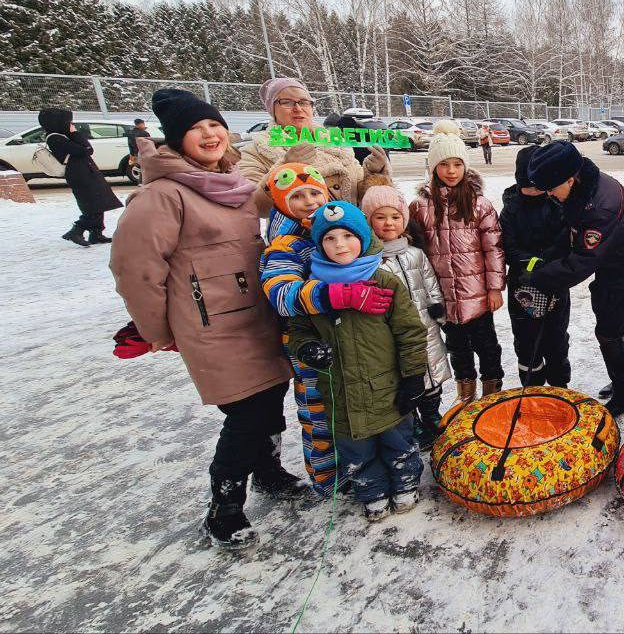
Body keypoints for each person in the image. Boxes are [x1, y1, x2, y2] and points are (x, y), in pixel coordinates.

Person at [110, 89, 298, 550]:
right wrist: (158, 331)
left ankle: (269, 473)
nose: (210, 134)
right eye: (196, 129)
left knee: (272, 396)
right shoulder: (162, 195)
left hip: (257, 314)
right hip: (212, 325)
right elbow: (135, 269)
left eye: (214, 124)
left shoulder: (231, 181)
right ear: (176, 140)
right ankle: (224, 508)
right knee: (246, 412)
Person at [259, 162, 394, 495]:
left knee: (353, 403)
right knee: (319, 412)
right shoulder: (284, 246)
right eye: (297, 196)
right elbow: (280, 295)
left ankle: (363, 463)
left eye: (315, 193)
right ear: (279, 202)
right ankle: (328, 479)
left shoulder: (328, 234)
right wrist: (334, 294)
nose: (309, 201)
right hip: (309, 345)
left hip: (352, 338)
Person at [290, 201, 429, 522]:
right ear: (319, 244)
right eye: (330, 238)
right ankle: (372, 491)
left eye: (348, 236)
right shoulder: (314, 290)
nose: (340, 245)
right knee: (357, 450)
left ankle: (406, 483)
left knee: (398, 440)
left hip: (386, 385)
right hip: (341, 392)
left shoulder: (384, 281)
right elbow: (298, 331)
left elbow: (410, 332)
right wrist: (308, 348)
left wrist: (413, 376)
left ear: (364, 238)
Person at [526, 141, 624, 417]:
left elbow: (581, 263)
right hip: (616, 264)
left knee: (609, 330)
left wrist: (540, 278)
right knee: (619, 323)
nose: (549, 194)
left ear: (570, 178)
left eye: (551, 188)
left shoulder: (600, 209)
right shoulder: (587, 186)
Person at [409, 128, 506, 403]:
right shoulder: (420, 206)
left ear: (465, 165)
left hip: (477, 296)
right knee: (457, 348)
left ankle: (491, 393)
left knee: (487, 346)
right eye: (444, 164)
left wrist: (495, 288)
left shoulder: (479, 204)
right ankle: (466, 393)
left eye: (457, 164)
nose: (451, 170)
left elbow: (494, 249)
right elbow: (416, 249)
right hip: (444, 296)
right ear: (433, 166)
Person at [361, 184, 452, 447]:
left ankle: (432, 415)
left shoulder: (415, 253)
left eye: (395, 217)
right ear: (368, 221)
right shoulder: (370, 260)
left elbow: (429, 280)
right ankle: (413, 423)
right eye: (380, 217)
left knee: (432, 370)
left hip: (425, 325)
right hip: (394, 332)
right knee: (406, 376)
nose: (389, 223)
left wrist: (437, 306)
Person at [237, 77, 391, 206]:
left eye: (304, 102)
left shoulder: (337, 142)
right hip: (297, 238)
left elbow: (359, 193)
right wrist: (284, 168)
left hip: (347, 236)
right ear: (272, 109)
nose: (298, 108)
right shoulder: (255, 151)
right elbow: (253, 205)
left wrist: (374, 172)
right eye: (287, 102)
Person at [499, 146, 571, 388]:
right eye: (527, 186)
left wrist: (547, 263)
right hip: (523, 287)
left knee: (557, 340)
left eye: (537, 186)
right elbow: (508, 246)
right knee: (527, 343)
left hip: (554, 284)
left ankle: (560, 387)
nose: (532, 191)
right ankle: (532, 388)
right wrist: (531, 264)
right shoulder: (510, 209)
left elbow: (563, 241)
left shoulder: (557, 205)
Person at [38, 108, 121, 246]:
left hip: (86, 171)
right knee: (92, 203)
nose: (71, 124)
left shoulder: (62, 135)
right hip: (79, 174)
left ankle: (96, 233)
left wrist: (72, 134)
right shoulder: (55, 137)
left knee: (99, 201)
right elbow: (86, 149)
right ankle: (76, 230)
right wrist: (75, 133)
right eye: (68, 121)